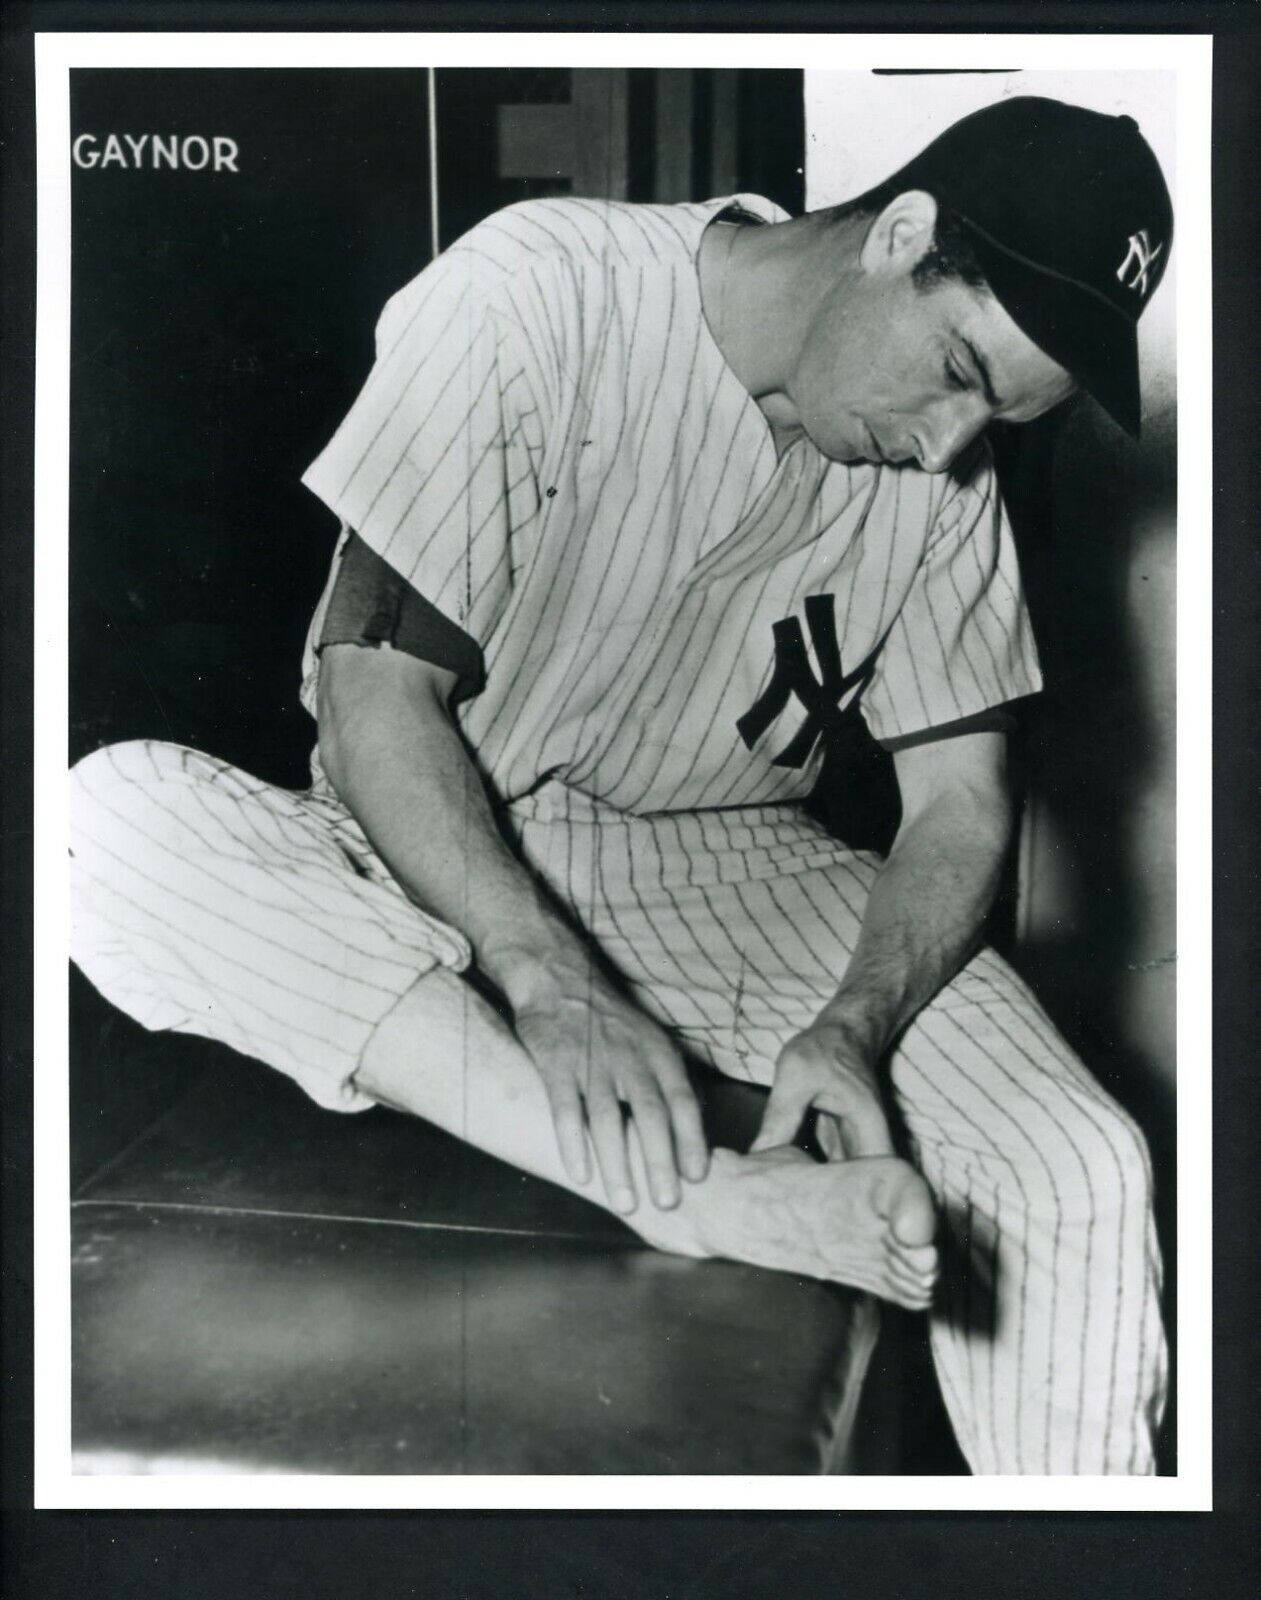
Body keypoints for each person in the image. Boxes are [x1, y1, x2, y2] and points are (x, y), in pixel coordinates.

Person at [69, 96, 1174, 1474]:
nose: (955, 445)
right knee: (102, 826)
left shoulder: (940, 475)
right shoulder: (537, 289)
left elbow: (958, 795)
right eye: (957, 370)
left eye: (994, 419)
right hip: (441, 837)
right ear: (899, 235)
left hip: (737, 869)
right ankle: (701, 1200)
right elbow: (371, 697)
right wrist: (547, 979)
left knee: (1076, 1163)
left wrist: (854, 1021)